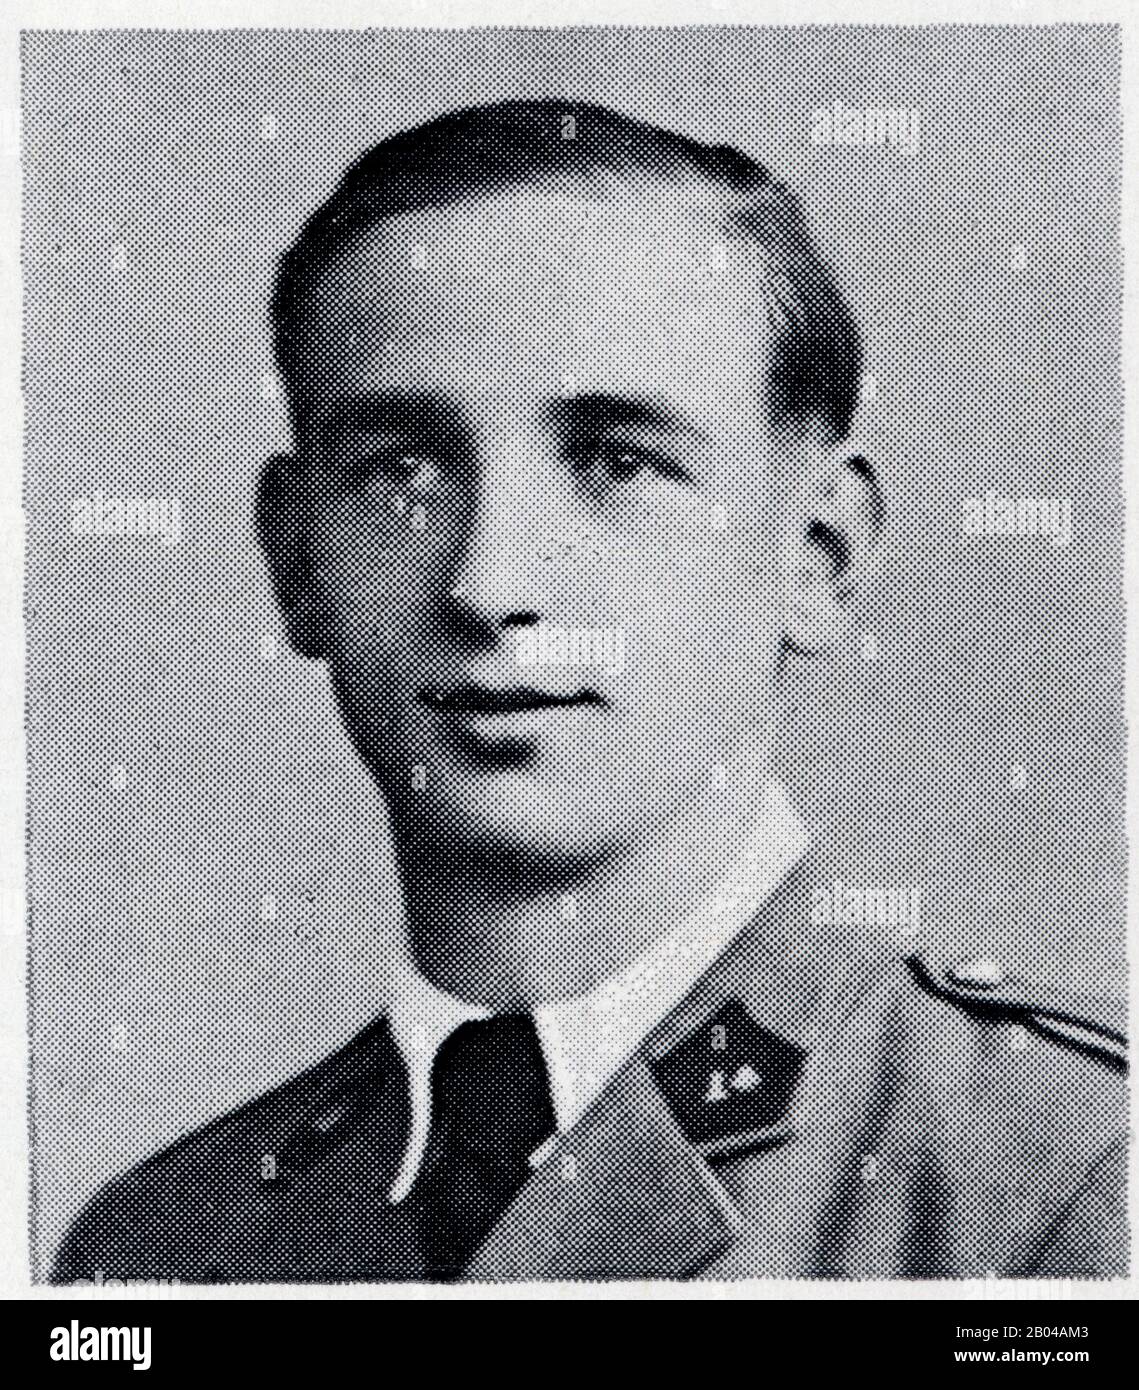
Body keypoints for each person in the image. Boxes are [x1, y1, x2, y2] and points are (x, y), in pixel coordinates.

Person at [51, 99, 1126, 1284]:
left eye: (618, 461)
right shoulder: (160, 1249)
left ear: (816, 553)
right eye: (398, 469)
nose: (487, 581)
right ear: (295, 559)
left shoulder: (1055, 1173)